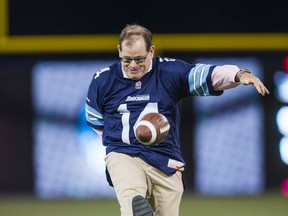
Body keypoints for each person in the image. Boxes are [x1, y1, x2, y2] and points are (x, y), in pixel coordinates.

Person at [85, 24, 269, 216]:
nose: (132, 65)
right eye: (127, 59)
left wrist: (238, 74)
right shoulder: (103, 80)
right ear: (119, 51)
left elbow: (206, 74)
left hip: (164, 157)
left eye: (139, 59)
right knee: (132, 202)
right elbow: (95, 119)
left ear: (151, 51)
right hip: (124, 154)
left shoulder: (169, 71)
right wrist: (116, 144)